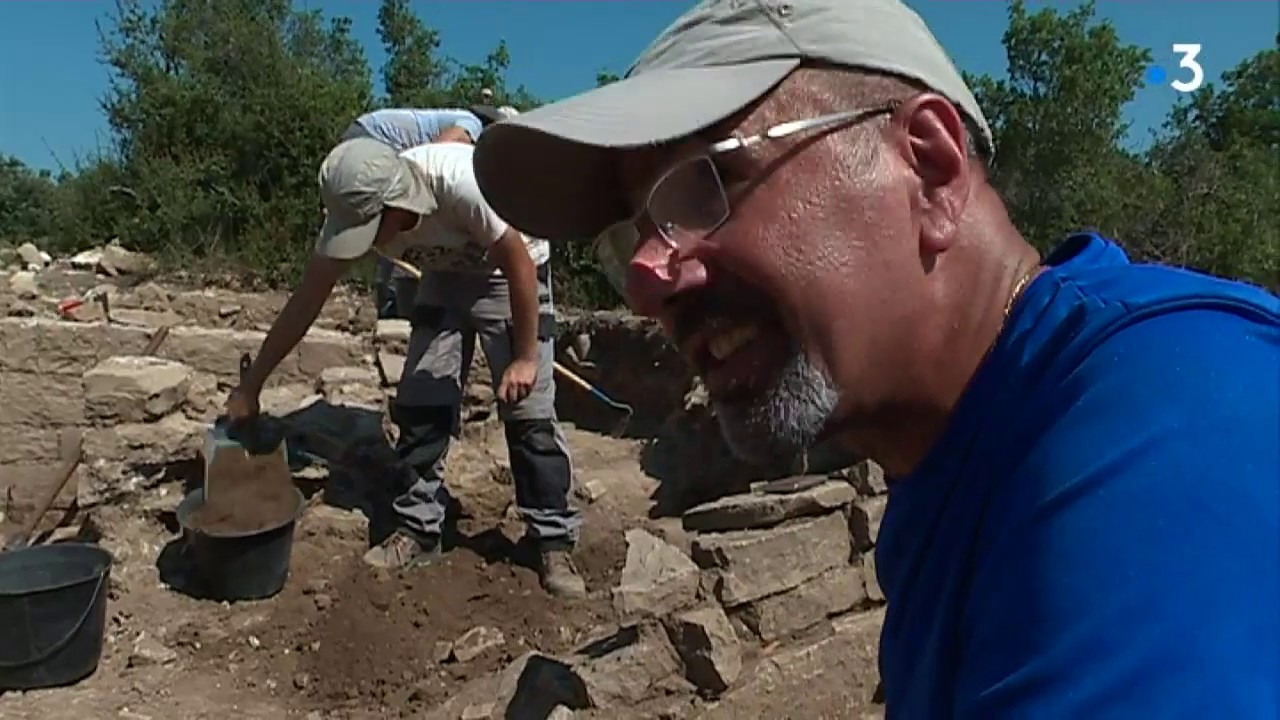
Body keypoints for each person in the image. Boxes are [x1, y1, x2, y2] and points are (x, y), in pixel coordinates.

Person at [470, 0, 1280, 716]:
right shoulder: (955, 460)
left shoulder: (1167, 416)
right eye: (634, 233)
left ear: (930, 167)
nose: (647, 281)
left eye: (704, 184)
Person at [226, 136, 586, 598]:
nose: (368, 242)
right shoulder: (353, 203)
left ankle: (552, 540)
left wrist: (525, 358)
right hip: (445, 276)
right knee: (421, 404)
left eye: (371, 228)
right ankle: (418, 527)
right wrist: (252, 385)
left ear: (396, 205)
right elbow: (305, 302)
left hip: (510, 272)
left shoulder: (461, 184)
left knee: (528, 412)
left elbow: (519, 264)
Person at [342, 105, 517, 318]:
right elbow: (440, 150)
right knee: (390, 218)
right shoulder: (471, 123)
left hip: (361, 138)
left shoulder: (453, 119)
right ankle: (392, 301)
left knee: (393, 224)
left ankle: (391, 299)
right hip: (369, 140)